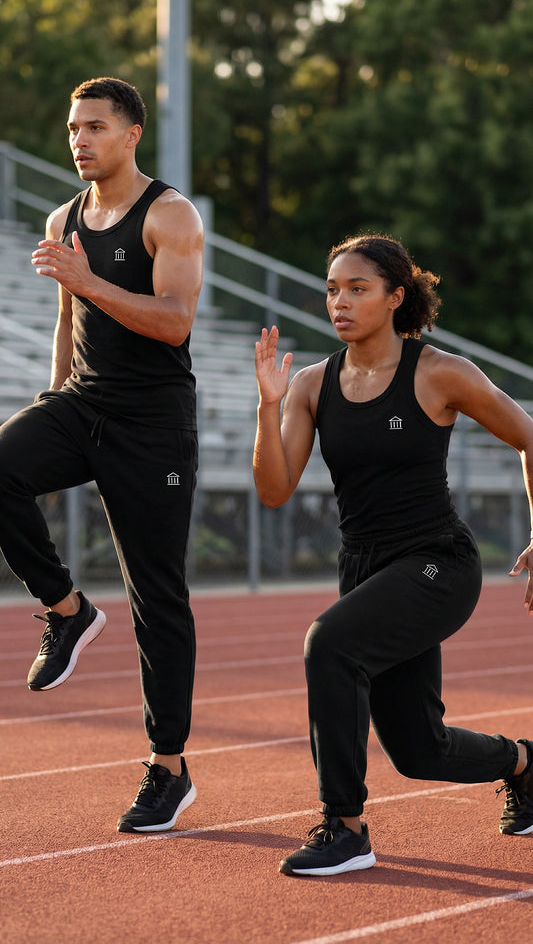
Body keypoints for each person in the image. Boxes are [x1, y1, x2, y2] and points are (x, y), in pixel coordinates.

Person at [253, 233, 533, 877]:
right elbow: (273, 489)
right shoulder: (309, 384)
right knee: (420, 751)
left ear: (396, 296)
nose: (340, 302)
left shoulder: (440, 372)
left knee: (329, 644)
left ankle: (345, 829)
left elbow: (528, 437)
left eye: (358, 288)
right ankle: (523, 762)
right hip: (365, 570)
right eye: (331, 290)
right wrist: (269, 407)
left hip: (437, 562)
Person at [0, 77, 203, 833]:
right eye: (71, 127)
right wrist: (51, 400)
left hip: (153, 424)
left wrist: (89, 279)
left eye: (94, 126)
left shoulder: (171, 214)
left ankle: (167, 767)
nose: (78, 139)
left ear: (130, 134)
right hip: (83, 403)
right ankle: (67, 608)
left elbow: (176, 324)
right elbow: (66, 315)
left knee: (159, 598)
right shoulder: (65, 214)